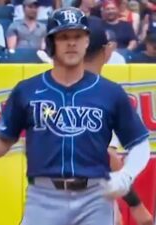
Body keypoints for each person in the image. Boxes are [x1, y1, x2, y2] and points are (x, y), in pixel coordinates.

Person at [0, 7, 150, 225]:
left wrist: (127, 174)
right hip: (43, 196)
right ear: (50, 44)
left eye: (78, 36)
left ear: (86, 42)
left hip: (95, 196)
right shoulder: (27, 90)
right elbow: (1, 146)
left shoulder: (110, 92)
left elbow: (140, 143)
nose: (72, 43)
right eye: (64, 37)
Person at [84, 16, 153, 225]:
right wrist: (137, 206)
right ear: (108, 51)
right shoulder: (107, 95)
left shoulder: (42, 89)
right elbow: (109, 158)